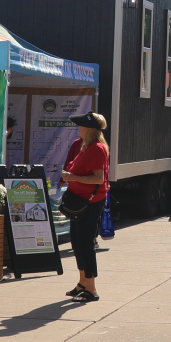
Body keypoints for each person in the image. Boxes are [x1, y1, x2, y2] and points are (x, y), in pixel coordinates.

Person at [60, 113, 110, 301]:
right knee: (77, 242)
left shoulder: (97, 148)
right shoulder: (85, 146)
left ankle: (91, 289)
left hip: (90, 201)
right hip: (79, 200)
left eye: (80, 126)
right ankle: (83, 282)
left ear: (89, 129)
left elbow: (99, 178)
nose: (78, 128)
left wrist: (73, 178)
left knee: (86, 243)